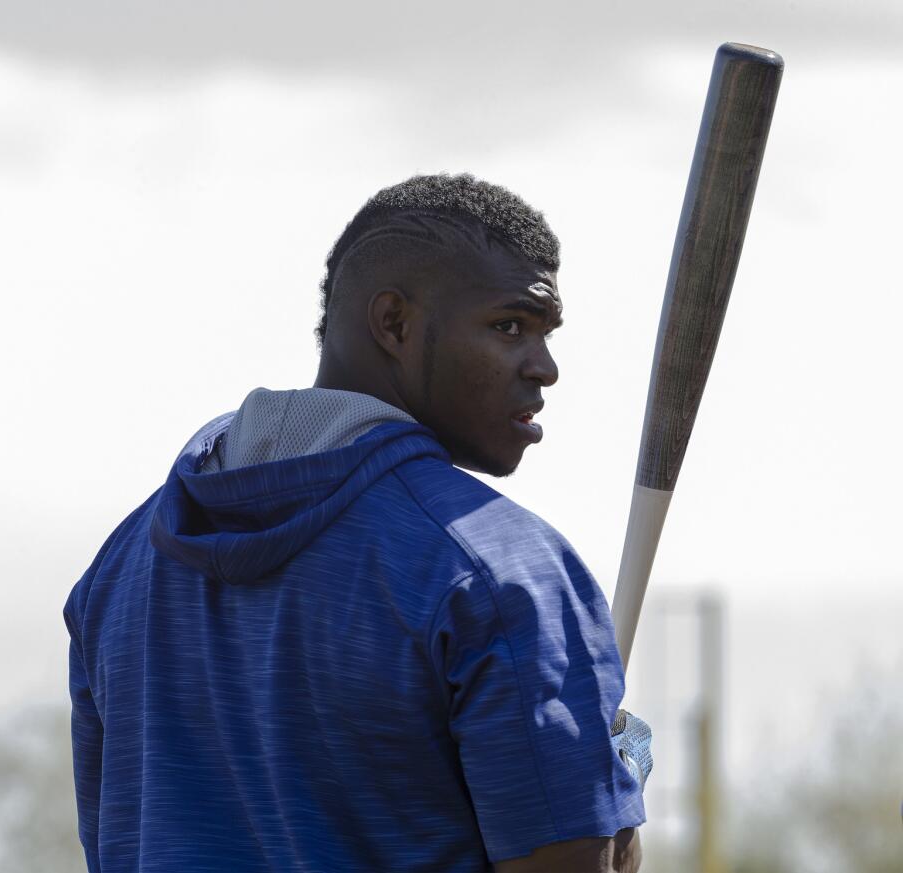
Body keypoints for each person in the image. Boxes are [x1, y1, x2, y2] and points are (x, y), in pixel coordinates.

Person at [64, 173, 652, 872]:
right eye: (509, 326)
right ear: (395, 324)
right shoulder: (497, 568)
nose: (545, 368)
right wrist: (614, 765)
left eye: (545, 334)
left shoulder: (123, 566)